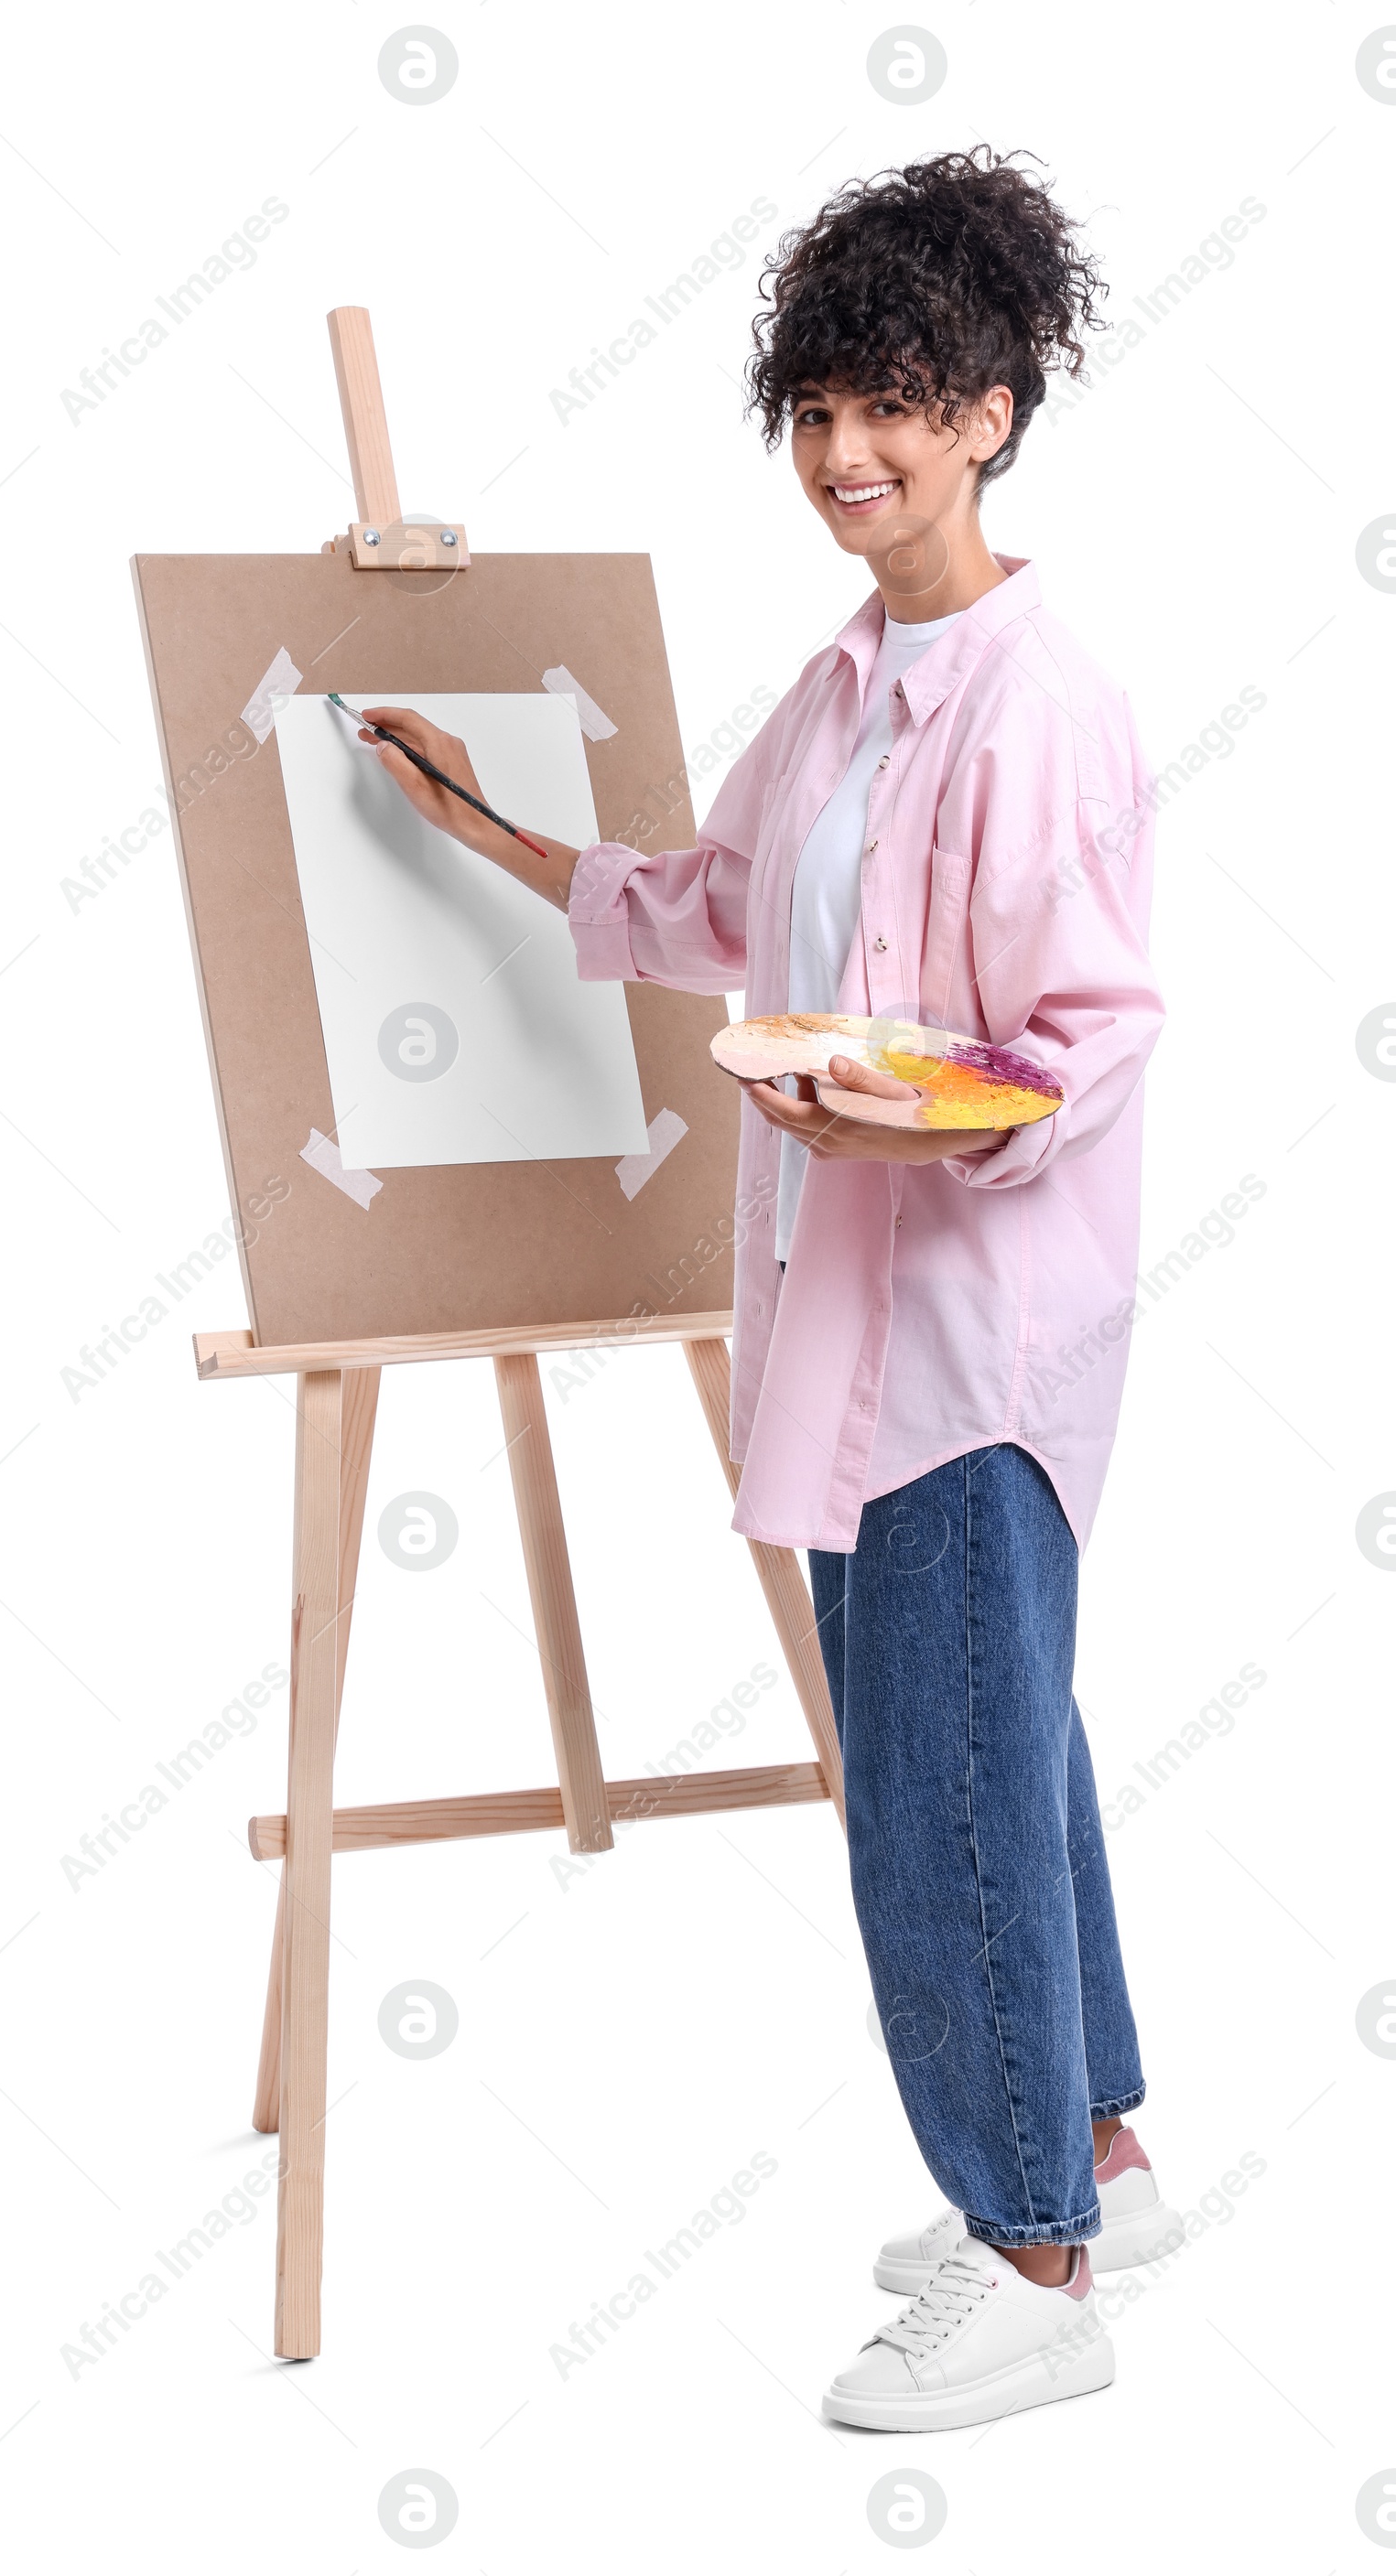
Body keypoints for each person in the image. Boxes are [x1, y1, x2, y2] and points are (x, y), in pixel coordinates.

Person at [358, 147, 1181, 2432]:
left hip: (965, 1342)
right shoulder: (837, 694)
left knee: (928, 1790)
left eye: (892, 403)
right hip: (850, 1316)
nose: (843, 454)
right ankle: (1091, 2140)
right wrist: (487, 834)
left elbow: (1090, 1038)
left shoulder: (1040, 699)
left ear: (996, 410)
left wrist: (902, 1117)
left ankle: (1029, 2259)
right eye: (814, 408)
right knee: (1004, 1752)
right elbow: (718, 901)